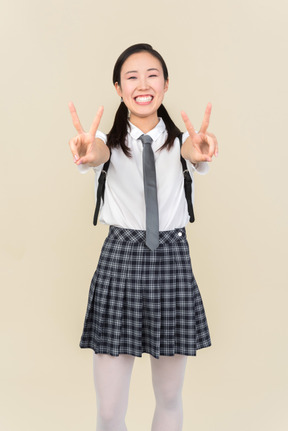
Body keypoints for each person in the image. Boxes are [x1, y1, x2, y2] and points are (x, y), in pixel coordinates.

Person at [68, 43, 218, 431]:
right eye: (131, 77)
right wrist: (87, 151)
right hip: (120, 260)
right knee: (109, 409)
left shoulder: (187, 140)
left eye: (152, 74)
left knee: (169, 398)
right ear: (118, 88)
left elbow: (193, 152)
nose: (143, 83)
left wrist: (199, 152)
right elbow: (98, 152)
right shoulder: (104, 140)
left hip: (172, 260)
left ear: (166, 84)